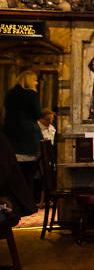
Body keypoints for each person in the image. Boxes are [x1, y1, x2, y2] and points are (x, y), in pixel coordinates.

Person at [3, 70, 43, 199]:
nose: (36, 82)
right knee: (29, 172)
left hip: (11, 135)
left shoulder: (9, 93)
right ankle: (28, 200)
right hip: (27, 137)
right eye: (35, 80)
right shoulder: (31, 94)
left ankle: (15, 200)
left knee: (14, 171)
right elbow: (38, 113)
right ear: (29, 80)